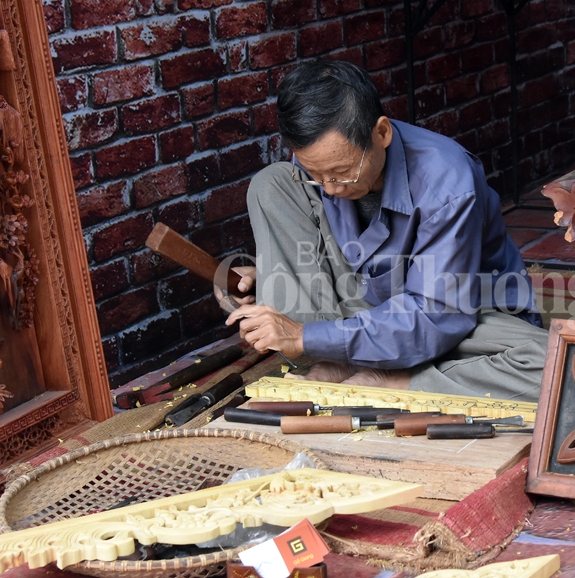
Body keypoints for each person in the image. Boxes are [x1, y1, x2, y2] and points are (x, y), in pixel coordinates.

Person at [222, 59, 548, 402]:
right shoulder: (322, 165)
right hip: (371, 303)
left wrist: (304, 336)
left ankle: (398, 378)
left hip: (459, 315)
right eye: (316, 175)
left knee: (555, 366)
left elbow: (435, 316)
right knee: (272, 183)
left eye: (342, 172)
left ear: (382, 133)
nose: (330, 188)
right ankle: (339, 357)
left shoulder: (448, 183)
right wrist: (274, 272)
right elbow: (326, 235)